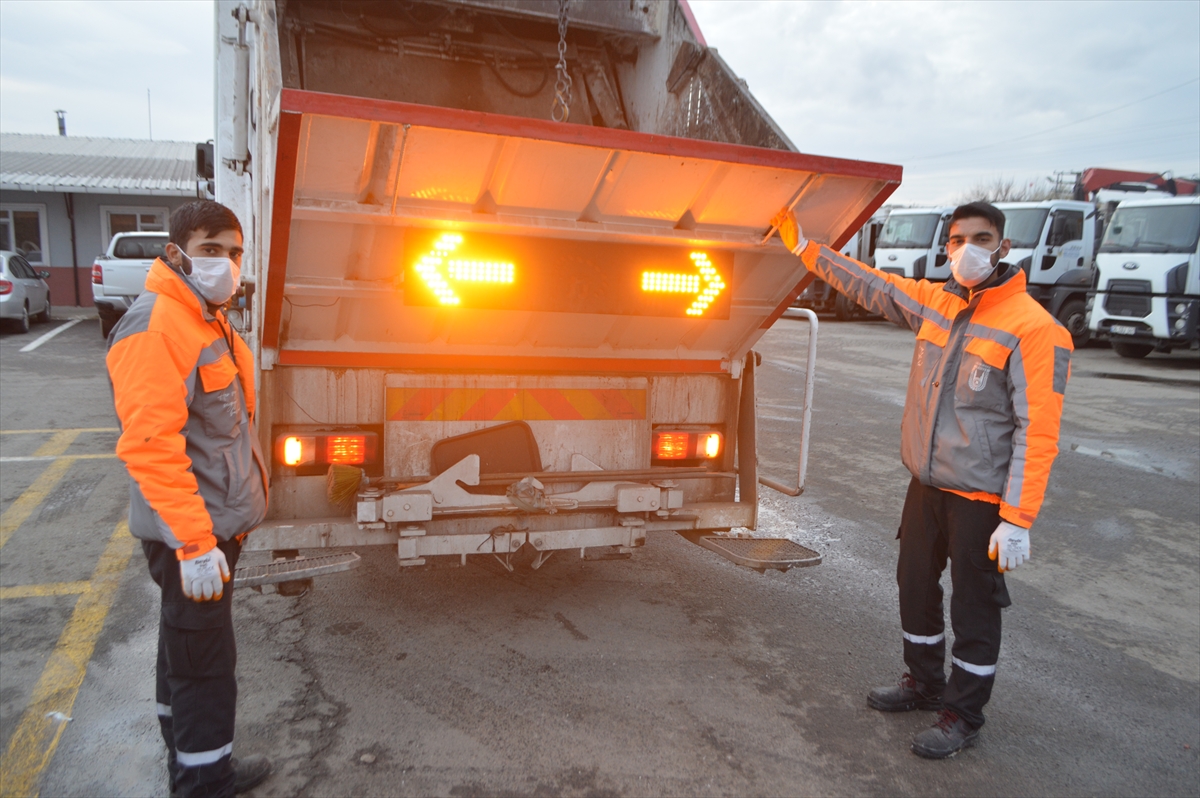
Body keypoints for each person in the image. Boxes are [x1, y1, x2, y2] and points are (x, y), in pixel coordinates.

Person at [773, 202, 1072, 758]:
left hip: (981, 498)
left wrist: (1018, 518)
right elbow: (871, 285)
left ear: (1004, 247)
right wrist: (804, 248)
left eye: (980, 239)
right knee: (914, 584)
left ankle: (963, 714)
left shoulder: (1036, 330)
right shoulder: (937, 304)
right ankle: (925, 682)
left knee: (973, 607)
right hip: (927, 485)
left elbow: (1040, 432)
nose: (966, 250)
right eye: (957, 240)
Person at [107, 200, 272, 796]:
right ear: (175, 252)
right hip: (192, 536)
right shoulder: (157, 326)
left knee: (183, 648)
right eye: (211, 250)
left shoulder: (205, 317)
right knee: (204, 663)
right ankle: (205, 782)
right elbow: (150, 444)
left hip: (208, 529)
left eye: (233, 252)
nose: (226, 263)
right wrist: (196, 545)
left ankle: (188, 758)